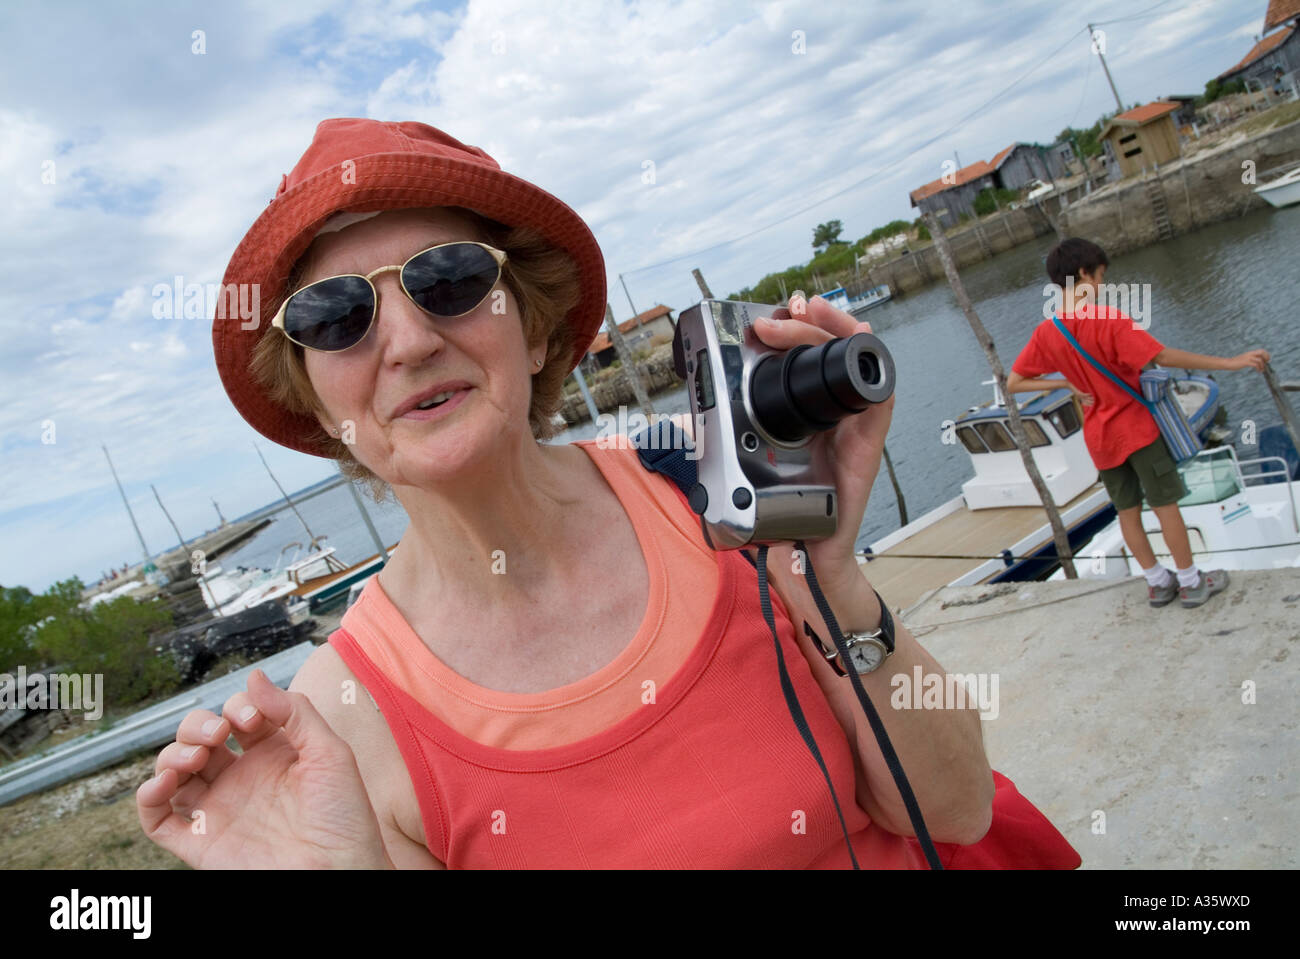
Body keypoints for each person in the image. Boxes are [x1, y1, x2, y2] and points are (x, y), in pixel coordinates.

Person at [137, 118, 1076, 869]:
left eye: (451, 280)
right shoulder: (339, 721)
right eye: (336, 315)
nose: (410, 340)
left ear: (537, 332)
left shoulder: (702, 487)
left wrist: (827, 578)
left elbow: (952, 809)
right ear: (315, 398)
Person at [1007, 237, 1270, 608]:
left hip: (1100, 440)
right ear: (1083, 274)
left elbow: (1014, 383)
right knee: (1166, 508)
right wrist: (1231, 361)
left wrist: (1065, 382)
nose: (1101, 285)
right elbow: (1161, 355)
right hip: (1138, 432)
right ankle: (1192, 582)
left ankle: (1157, 582)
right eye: (1099, 277)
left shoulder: (1048, 333)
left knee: (1127, 514)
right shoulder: (1108, 320)